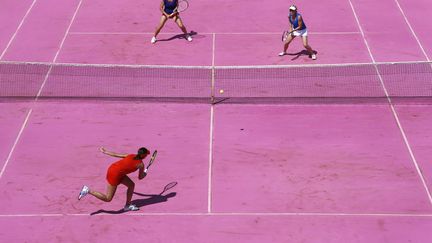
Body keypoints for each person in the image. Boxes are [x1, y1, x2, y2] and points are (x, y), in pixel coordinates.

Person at [78, 147, 150, 212]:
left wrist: (105, 152)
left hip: (114, 169)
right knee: (108, 198)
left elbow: (116, 154)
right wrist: (145, 173)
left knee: (131, 185)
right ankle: (88, 190)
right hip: (115, 175)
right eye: (146, 154)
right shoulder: (141, 165)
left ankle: (127, 206)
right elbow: (140, 177)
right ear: (143, 155)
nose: (147, 156)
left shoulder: (131, 155)